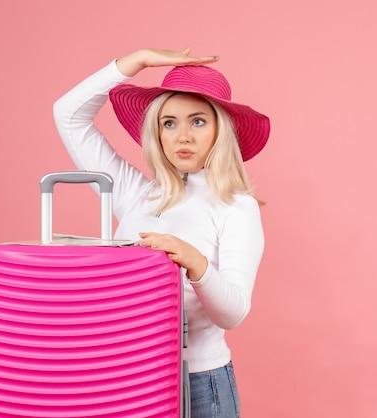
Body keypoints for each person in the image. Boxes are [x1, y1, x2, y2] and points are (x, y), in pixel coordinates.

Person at [53, 47, 270, 417]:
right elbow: (68, 115)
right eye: (169, 123)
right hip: (127, 375)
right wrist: (135, 62)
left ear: (221, 129)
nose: (182, 136)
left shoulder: (236, 206)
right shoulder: (136, 193)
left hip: (198, 383)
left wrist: (194, 262)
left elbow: (233, 314)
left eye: (198, 121)